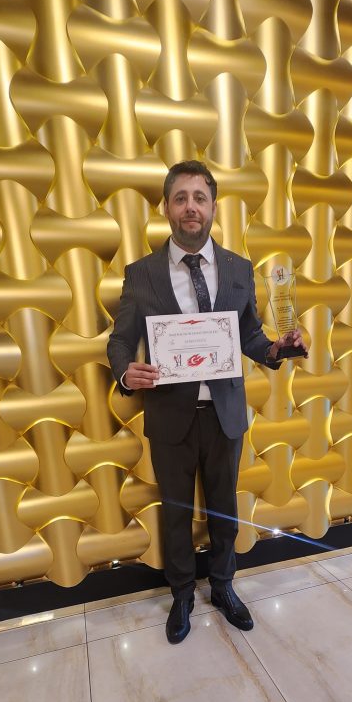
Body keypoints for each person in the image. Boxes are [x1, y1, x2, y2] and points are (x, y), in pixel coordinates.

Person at [107, 160, 306, 644]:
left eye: (199, 197)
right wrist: (125, 371)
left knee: (223, 508)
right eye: (181, 198)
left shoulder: (239, 268)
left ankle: (223, 585)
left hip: (224, 415)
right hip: (169, 417)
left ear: (213, 206)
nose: (190, 207)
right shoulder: (141, 274)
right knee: (175, 512)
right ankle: (180, 594)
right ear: (167, 208)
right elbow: (120, 340)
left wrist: (275, 349)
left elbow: (249, 335)